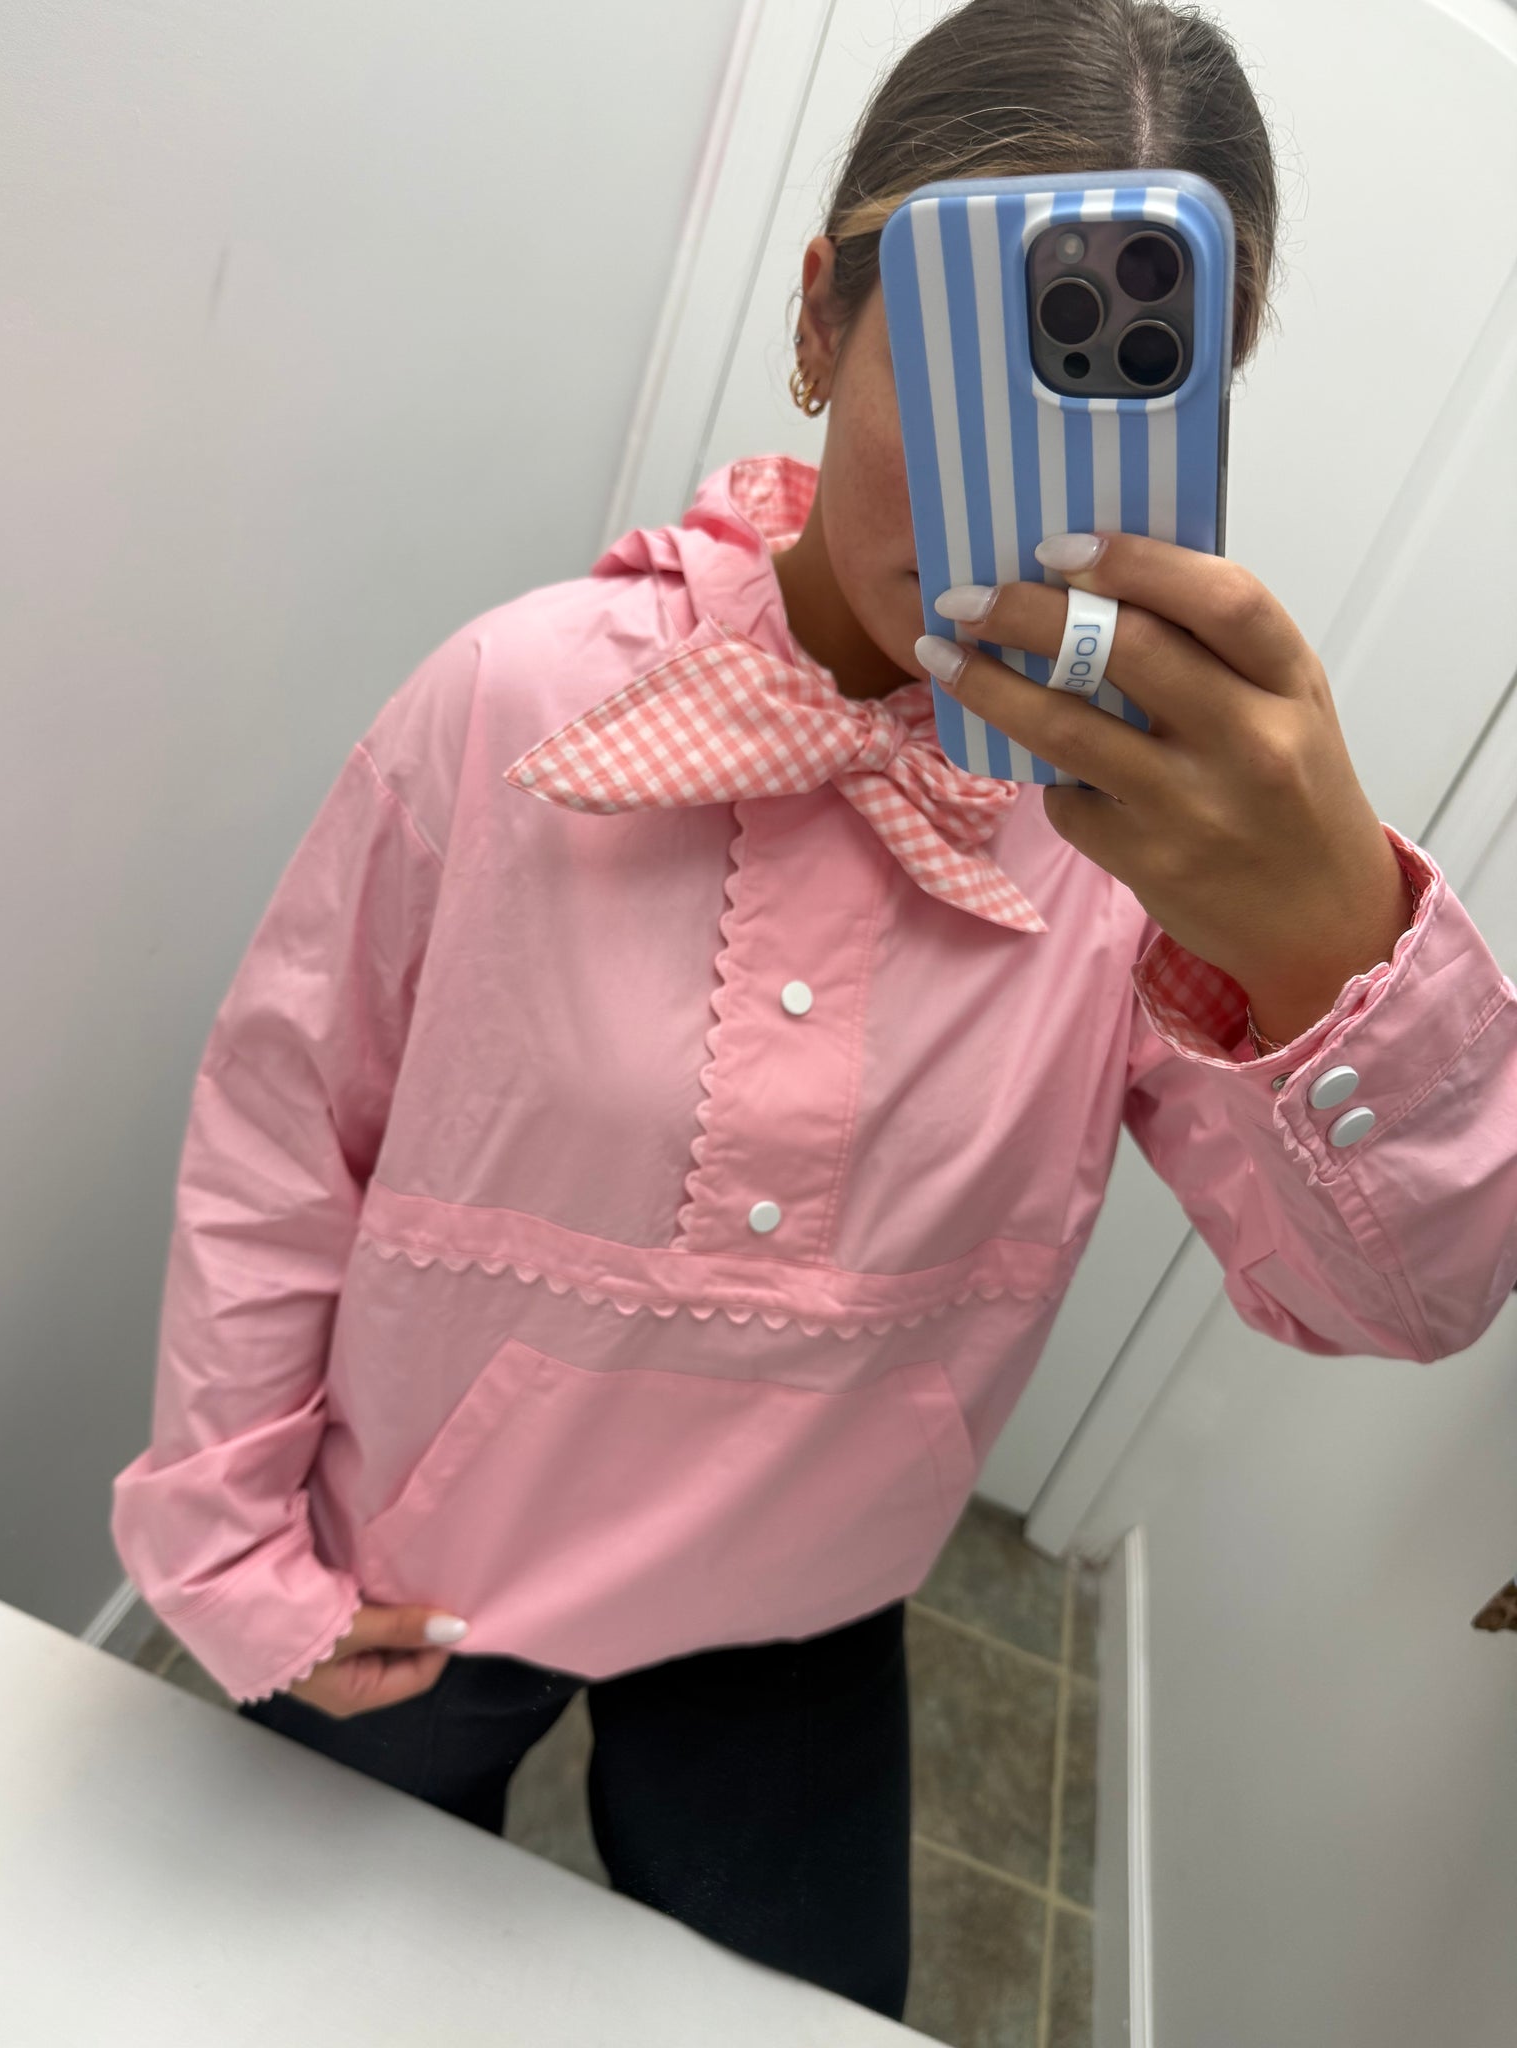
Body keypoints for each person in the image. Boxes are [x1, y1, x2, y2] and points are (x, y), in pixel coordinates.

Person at [109, 0, 1517, 2025]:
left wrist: (1328, 951)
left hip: (803, 1607)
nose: (1013, 482)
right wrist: (241, 1551)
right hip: (413, 1557)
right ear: (816, 325)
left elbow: (1407, 1296)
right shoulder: (517, 701)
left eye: (1119, 383)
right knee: (265, 1994)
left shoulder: (1154, 847)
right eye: (956, 358)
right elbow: (280, 1130)